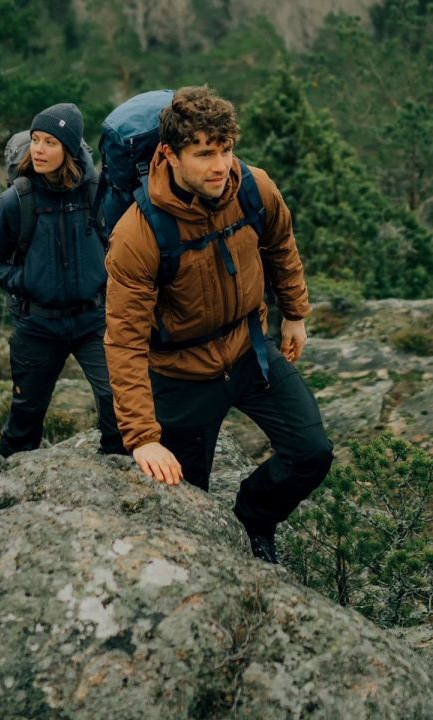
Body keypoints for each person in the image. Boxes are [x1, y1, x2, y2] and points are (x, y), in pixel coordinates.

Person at [104, 86, 333, 563]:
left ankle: (254, 519)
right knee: (187, 508)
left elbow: (280, 243)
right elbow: (124, 341)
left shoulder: (254, 187)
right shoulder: (138, 233)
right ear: (169, 154)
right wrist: (143, 437)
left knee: (312, 453)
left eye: (225, 149)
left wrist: (295, 313)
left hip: (248, 349)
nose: (220, 165)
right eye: (204, 153)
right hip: (181, 374)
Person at [0, 103, 126, 458]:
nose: (38, 150)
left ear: (70, 149)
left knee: (116, 401)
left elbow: (121, 246)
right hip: (38, 324)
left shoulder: (96, 192)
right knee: (25, 415)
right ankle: (8, 486)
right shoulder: (18, 198)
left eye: (50, 142)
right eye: (36, 140)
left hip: (93, 319)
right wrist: (24, 279)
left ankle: (118, 474)